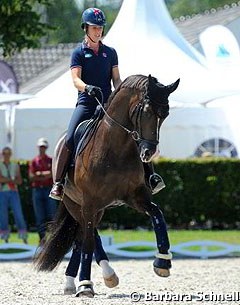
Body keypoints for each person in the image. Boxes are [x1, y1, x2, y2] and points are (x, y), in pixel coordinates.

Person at [49, 7, 164, 200]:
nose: (98, 31)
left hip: (108, 105)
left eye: (101, 27)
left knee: (134, 134)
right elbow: (75, 80)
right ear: (85, 28)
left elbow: (116, 80)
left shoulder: (110, 53)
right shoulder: (78, 53)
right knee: (69, 138)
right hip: (86, 103)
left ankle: (151, 176)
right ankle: (59, 184)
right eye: (94, 27)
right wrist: (87, 87)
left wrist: (123, 94)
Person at [29, 138, 57, 245]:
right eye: (41, 147)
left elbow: (52, 174)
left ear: (46, 148)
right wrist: (45, 175)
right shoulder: (34, 161)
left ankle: (54, 239)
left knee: (52, 215)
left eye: (43, 147)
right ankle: (42, 239)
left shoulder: (51, 160)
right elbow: (31, 177)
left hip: (48, 189)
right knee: (40, 216)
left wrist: (39, 174)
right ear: (38, 147)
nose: (42, 149)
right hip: (37, 190)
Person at [0, 147, 27, 243]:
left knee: (18, 213)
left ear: (10, 154)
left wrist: (6, 179)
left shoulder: (15, 165)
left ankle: (23, 237)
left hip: (14, 192)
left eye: (8, 153)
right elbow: (0, 179)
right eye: (4, 153)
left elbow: (19, 181)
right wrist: (12, 179)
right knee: (3, 215)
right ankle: (5, 238)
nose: (6, 155)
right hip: (2, 192)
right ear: (2, 154)